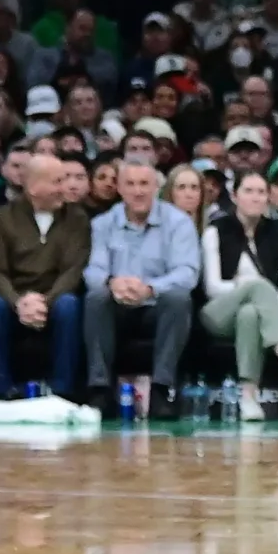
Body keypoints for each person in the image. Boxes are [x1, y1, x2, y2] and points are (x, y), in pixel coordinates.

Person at [80, 157, 200, 417]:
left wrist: (150, 288)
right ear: (120, 189)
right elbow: (93, 270)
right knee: (96, 296)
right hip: (117, 306)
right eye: (130, 184)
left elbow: (187, 272)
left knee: (178, 298)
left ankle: (160, 390)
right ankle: (99, 390)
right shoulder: (102, 224)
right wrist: (112, 283)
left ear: (156, 187)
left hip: (156, 307)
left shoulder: (179, 223)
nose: (138, 191)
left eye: (144, 183)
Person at [200, 169, 278, 421]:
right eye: (248, 191)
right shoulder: (215, 231)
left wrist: (258, 297)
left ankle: (248, 398)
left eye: (261, 192)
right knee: (258, 287)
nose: (255, 198)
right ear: (235, 196)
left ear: (268, 198)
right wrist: (249, 287)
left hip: (259, 315)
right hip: (217, 312)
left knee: (250, 314)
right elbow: (212, 287)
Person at [0, 153, 88, 397]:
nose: (66, 187)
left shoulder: (78, 219)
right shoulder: (2, 218)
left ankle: (63, 390)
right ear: (34, 188)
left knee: (69, 305)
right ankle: (0, 390)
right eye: (58, 181)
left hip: (56, 297)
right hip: (14, 298)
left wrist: (45, 303)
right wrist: (18, 303)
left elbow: (73, 271)